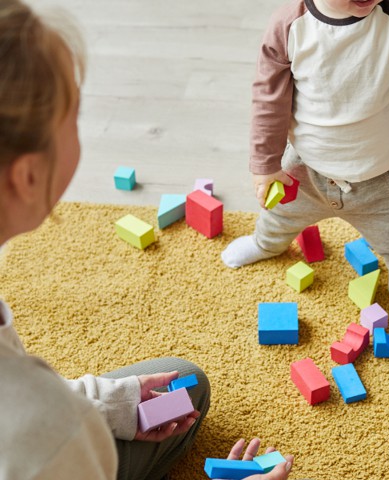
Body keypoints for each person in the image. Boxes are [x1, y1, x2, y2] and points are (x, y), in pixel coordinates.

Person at [0, 1, 295, 479]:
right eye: (74, 116)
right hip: (48, 448)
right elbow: (31, 417)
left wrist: (107, 403)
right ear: (27, 176)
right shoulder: (49, 433)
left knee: (184, 386)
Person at [221, 0, 389, 335]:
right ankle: (265, 243)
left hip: (383, 175)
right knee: (278, 216)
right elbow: (270, 99)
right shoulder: (290, 27)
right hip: (306, 169)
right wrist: (266, 164)